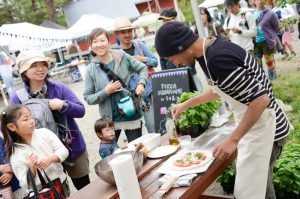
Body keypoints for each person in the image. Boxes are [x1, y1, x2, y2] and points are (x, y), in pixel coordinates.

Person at [155, 21, 290, 199]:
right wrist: (187, 103)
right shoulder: (206, 53)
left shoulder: (218, 59)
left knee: (257, 192)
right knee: (258, 188)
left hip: (268, 129)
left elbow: (260, 99)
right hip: (255, 126)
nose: (176, 64)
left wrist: (233, 139)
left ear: (181, 47)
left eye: (172, 59)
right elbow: (220, 90)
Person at [9, 50, 90, 190]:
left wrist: (63, 105)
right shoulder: (18, 98)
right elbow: (7, 126)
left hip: (72, 148)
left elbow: (81, 110)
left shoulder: (60, 88)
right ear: (24, 71)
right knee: (57, 192)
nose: (40, 69)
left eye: (44, 64)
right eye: (34, 65)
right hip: (43, 157)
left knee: (85, 189)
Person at [83, 28, 148, 143]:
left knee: (137, 149)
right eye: (95, 42)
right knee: (111, 154)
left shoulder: (121, 56)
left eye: (102, 40)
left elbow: (142, 68)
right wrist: (106, 91)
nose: (99, 45)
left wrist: (141, 84)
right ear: (91, 45)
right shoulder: (90, 69)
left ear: (109, 41)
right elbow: (88, 98)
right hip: (109, 120)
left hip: (130, 112)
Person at [0, 105, 70, 196]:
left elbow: (64, 151)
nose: (32, 121)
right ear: (12, 127)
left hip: (60, 182)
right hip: (40, 193)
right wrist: (32, 170)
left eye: (31, 116)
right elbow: (24, 184)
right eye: (26, 119)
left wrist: (50, 159)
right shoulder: (15, 153)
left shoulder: (44, 133)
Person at [114, 17, 157, 134]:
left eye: (129, 31)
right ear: (116, 34)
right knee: (135, 132)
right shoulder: (115, 54)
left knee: (153, 125)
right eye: (123, 32)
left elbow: (155, 61)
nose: (127, 34)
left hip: (148, 93)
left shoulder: (140, 46)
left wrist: (143, 59)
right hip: (129, 98)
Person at [158, 8, 203, 92]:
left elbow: (192, 53)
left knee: (198, 92)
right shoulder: (162, 36)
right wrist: (165, 74)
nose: (164, 22)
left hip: (189, 72)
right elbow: (162, 59)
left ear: (174, 18)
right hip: (173, 75)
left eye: (166, 20)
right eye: (163, 20)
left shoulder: (182, 31)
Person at [253, 0, 279, 80]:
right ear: (254, 2)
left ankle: (272, 77)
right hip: (256, 41)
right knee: (257, 61)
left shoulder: (270, 13)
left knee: (269, 60)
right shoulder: (252, 14)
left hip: (266, 40)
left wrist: (272, 37)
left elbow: (276, 27)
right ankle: (261, 78)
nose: (260, 1)